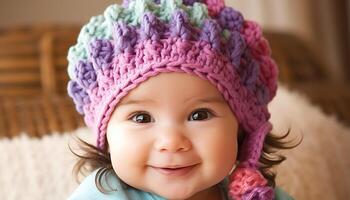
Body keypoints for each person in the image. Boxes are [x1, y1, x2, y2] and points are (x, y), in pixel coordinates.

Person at [67, 0, 299, 199]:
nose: (171, 141)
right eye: (141, 117)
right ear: (106, 136)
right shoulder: (104, 194)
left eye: (199, 115)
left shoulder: (256, 194)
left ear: (241, 129)